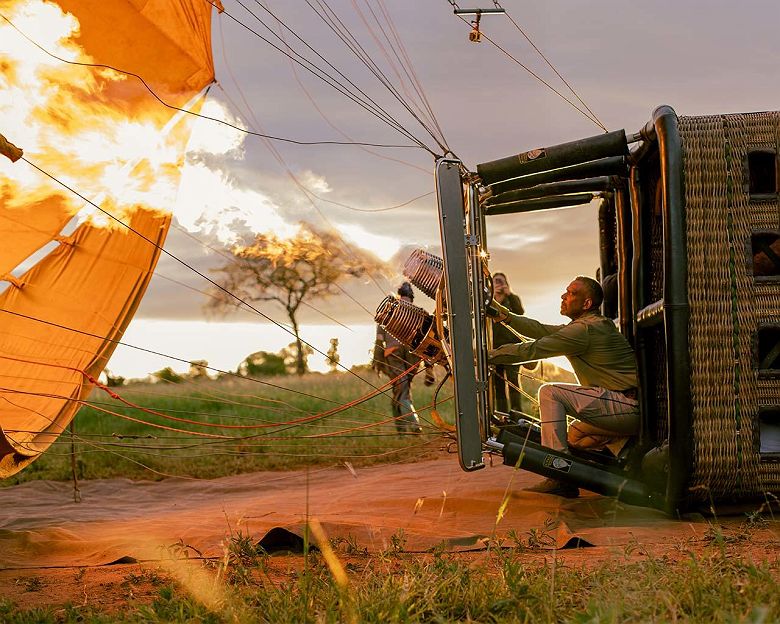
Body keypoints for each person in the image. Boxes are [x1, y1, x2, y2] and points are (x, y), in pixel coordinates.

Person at [489, 276, 639, 498]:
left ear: (587, 304)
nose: (563, 296)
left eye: (571, 293)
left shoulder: (585, 331)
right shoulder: (585, 326)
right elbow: (539, 329)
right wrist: (502, 313)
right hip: (623, 408)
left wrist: (483, 357)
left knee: (550, 393)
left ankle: (559, 475)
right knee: (575, 438)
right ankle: (625, 449)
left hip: (626, 406)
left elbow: (531, 350)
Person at [372, 282, 433, 433]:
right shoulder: (421, 313)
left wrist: (377, 362)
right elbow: (428, 342)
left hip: (394, 354)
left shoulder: (387, 312)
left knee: (401, 390)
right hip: (414, 356)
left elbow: (379, 341)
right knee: (400, 391)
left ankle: (414, 426)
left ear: (399, 295)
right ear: (412, 297)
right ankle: (401, 430)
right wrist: (428, 368)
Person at [491, 272, 525, 414]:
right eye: (496, 282)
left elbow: (520, 313)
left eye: (501, 282)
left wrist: (509, 294)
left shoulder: (513, 299)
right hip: (495, 347)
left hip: (512, 347)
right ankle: (502, 414)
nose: (499, 284)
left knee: (513, 381)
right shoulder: (488, 300)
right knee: (497, 383)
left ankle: (517, 412)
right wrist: (493, 297)